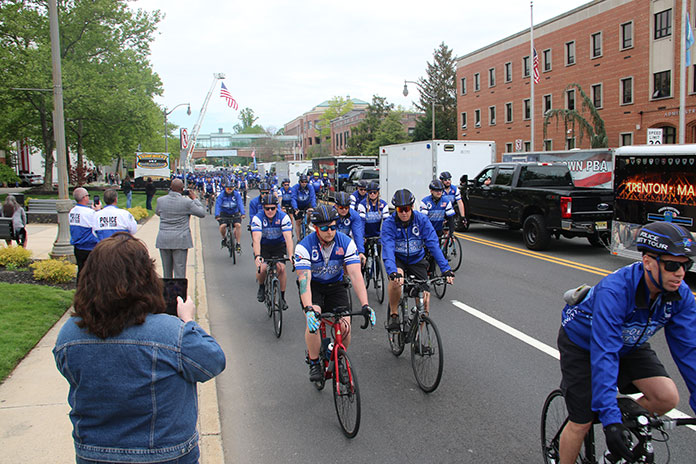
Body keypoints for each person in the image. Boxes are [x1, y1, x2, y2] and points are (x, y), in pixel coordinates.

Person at [53, 232, 226, 464]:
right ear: (146, 278)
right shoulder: (172, 333)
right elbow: (213, 361)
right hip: (165, 453)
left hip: (94, 452)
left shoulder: (70, 334)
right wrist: (189, 322)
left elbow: (70, 372)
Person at [556, 221, 696, 464]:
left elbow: (690, 352)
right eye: (672, 265)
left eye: (687, 265)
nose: (681, 274)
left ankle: (615, 445)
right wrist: (610, 422)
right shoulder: (615, 292)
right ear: (648, 262)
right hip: (585, 343)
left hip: (630, 342)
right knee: (582, 421)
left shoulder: (680, 294)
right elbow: (605, 355)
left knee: (666, 397)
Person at [294, 206, 376, 382]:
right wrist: (309, 309)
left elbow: (355, 275)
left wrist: (365, 305)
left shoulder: (346, 242)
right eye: (324, 228)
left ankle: (339, 358)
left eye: (333, 227)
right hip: (314, 287)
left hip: (336, 285)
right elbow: (304, 281)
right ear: (316, 228)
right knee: (314, 323)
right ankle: (314, 361)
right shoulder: (304, 247)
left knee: (345, 327)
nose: (330, 231)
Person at [381, 189, 454, 331]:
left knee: (425, 300)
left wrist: (446, 269)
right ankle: (394, 314)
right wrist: (392, 272)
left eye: (407, 209)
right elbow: (388, 250)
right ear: (395, 209)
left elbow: (433, 245)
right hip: (398, 259)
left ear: (412, 207)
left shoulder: (421, 220)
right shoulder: (389, 224)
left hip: (416, 259)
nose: (403, 213)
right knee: (397, 281)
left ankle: (420, 338)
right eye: (400, 209)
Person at [155, 179, 206, 279]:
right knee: (180, 271)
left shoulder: (160, 200)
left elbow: (158, 213)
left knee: (167, 271)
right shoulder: (187, 202)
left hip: (164, 238)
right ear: (182, 189)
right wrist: (195, 199)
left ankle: (167, 293)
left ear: (170, 187)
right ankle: (179, 293)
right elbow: (201, 213)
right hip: (180, 238)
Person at [251, 194, 294, 308]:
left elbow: (288, 238)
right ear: (263, 208)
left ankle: (282, 298)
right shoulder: (257, 218)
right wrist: (257, 256)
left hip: (278, 245)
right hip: (263, 245)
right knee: (263, 268)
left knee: (281, 268)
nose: (270, 211)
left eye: (272, 208)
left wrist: (291, 255)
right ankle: (261, 286)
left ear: (277, 207)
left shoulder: (283, 217)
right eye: (267, 208)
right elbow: (256, 238)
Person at [69, 187, 100, 282]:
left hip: (78, 246)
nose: (88, 198)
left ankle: (79, 290)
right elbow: (98, 225)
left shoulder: (72, 212)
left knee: (81, 270)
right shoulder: (90, 213)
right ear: (84, 197)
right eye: (87, 196)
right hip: (89, 246)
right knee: (93, 273)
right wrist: (97, 211)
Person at [334, 192, 365, 266]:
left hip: (346, 239)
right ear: (335, 206)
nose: (344, 210)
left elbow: (358, 233)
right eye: (341, 208)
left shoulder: (354, 215)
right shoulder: (330, 214)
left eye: (346, 208)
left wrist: (360, 252)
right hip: (332, 240)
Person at [215, 181, 245, 252]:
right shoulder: (221, 195)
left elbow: (240, 203)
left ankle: (238, 243)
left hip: (234, 213)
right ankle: (224, 238)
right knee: (222, 226)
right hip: (224, 213)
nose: (229, 190)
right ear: (225, 188)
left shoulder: (236, 195)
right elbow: (218, 205)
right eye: (228, 188)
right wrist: (217, 214)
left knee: (238, 225)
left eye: (231, 189)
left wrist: (243, 213)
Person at [290, 174, 316, 239]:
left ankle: (307, 224)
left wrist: (313, 207)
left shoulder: (310, 187)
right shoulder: (295, 188)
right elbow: (293, 198)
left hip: (307, 204)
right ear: (299, 182)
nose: (304, 183)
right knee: (298, 221)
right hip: (298, 205)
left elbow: (313, 197)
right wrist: (295, 208)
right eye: (302, 182)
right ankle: (298, 238)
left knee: (310, 212)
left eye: (305, 182)